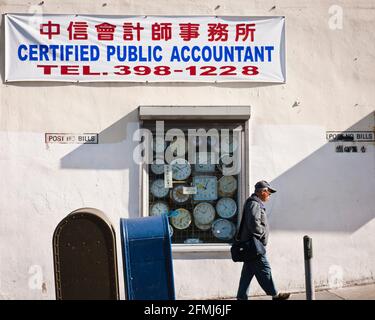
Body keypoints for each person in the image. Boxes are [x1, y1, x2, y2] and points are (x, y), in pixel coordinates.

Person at [236, 180, 291, 300]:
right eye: (269, 193)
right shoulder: (255, 203)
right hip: (254, 245)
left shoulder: (255, 203)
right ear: (263, 191)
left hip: (252, 245)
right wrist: (261, 233)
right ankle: (275, 295)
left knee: (247, 272)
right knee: (265, 269)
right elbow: (253, 222)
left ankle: (241, 297)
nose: (269, 195)